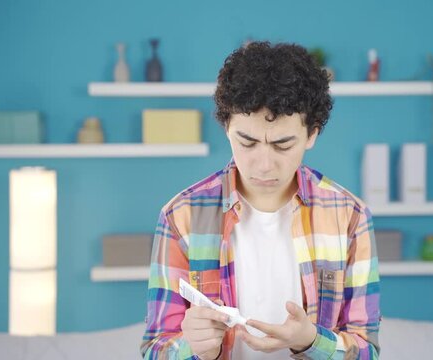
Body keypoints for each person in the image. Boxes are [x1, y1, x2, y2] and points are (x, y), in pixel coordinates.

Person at [140, 41, 381, 360]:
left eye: (282, 145)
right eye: (248, 142)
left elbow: (368, 351)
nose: (264, 164)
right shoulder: (180, 216)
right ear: (226, 127)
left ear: (312, 134)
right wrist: (195, 347)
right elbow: (154, 349)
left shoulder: (350, 217)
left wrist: (310, 341)